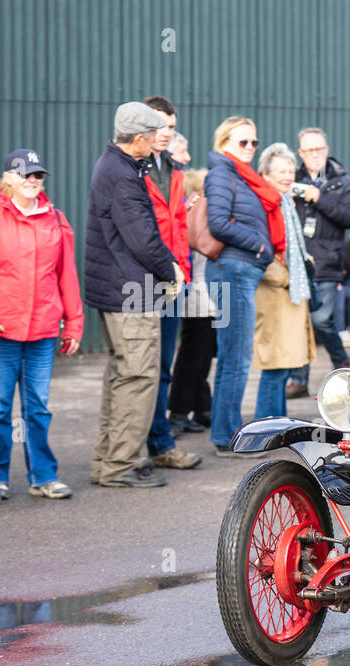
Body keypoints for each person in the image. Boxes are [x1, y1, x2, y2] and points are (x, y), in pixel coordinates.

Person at [0, 149, 83, 500]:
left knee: (38, 406)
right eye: (25, 175)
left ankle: (43, 476)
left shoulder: (56, 218)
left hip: (43, 329)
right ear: (8, 178)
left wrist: (74, 323)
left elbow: (67, 275)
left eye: (38, 176)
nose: (32, 181)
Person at [87, 102, 182, 486]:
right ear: (139, 139)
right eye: (152, 136)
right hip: (131, 291)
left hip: (114, 288)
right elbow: (143, 238)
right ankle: (119, 465)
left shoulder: (110, 165)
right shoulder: (125, 176)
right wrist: (169, 269)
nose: (158, 142)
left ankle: (108, 460)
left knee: (121, 375)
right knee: (138, 376)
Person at [204, 115, 279, 456]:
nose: (249, 148)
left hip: (238, 271)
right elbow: (218, 224)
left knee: (232, 355)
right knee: (236, 357)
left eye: (253, 142)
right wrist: (260, 245)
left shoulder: (240, 176)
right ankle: (230, 434)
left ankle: (223, 431)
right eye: (242, 142)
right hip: (233, 270)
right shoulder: (222, 174)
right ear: (224, 144)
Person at [139, 95, 200, 471]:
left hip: (174, 280)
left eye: (172, 127)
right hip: (142, 281)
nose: (166, 133)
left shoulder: (174, 170)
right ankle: (138, 444)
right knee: (136, 368)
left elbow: (179, 227)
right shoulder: (133, 168)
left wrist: (184, 271)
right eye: (159, 125)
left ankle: (159, 442)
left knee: (163, 365)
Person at [287, 127, 350, 398]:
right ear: (301, 153)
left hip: (328, 261)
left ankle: (341, 360)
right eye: (308, 150)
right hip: (297, 263)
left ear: (326, 150)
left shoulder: (342, 181)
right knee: (298, 322)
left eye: (319, 149)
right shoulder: (292, 179)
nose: (314, 155)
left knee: (320, 320)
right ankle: (299, 379)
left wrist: (320, 200)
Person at [251, 144, 316, 419]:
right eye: (281, 171)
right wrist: (285, 276)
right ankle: (265, 427)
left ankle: (278, 424)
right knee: (275, 365)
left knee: (285, 365)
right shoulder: (264, 204)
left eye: (290, 170)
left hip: (290, 291)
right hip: (276, 292)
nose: (288, 175)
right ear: (265, 174)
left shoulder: (285, 202)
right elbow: (260, 250)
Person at [167, 168, 217, 433]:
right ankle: (178, 411)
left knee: (203, 354)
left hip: (209, 296)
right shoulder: (192, 214)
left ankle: (201, 407)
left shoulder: (197, 213)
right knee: (192, 355)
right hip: (198, 296)